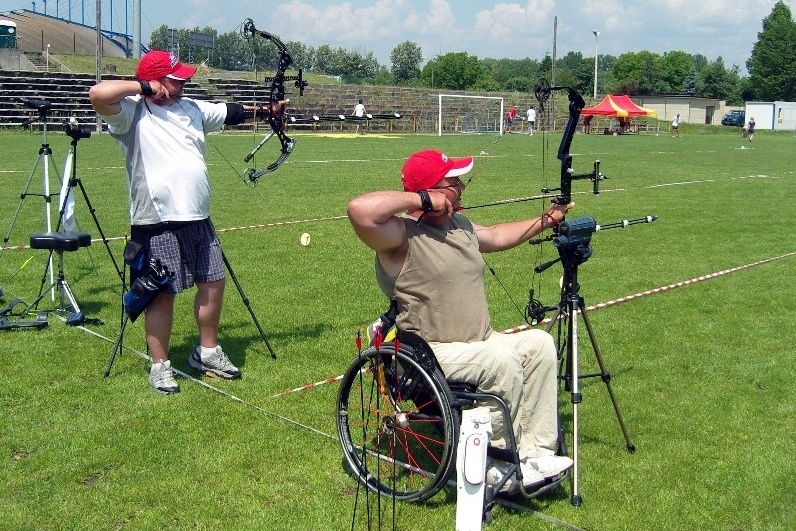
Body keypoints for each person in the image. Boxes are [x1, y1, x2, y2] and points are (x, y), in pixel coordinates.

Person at [347, 149, 574, 492]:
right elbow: (359, 211)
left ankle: (534, 454)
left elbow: (497, 235)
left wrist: (547, 220)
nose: (462, 186)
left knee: (539, 344)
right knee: (501, 361)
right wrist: (422, 198)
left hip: (479, 341)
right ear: (432, 191)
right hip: (432, 353)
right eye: (452, 182)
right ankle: (495, 460)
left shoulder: (461, 225)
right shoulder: (400, 237)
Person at [89, 50, 269, 394]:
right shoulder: (131, 113)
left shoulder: (192, 108)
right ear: (156, 81)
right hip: (155, 220)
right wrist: (143, 87)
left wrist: (267, 111)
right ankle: (159, 365)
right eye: (176, 79)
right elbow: (97, 94)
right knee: (161, 293)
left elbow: (229, 112)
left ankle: (207, 351)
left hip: (198, 217)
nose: (184, 83)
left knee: (213, 282)